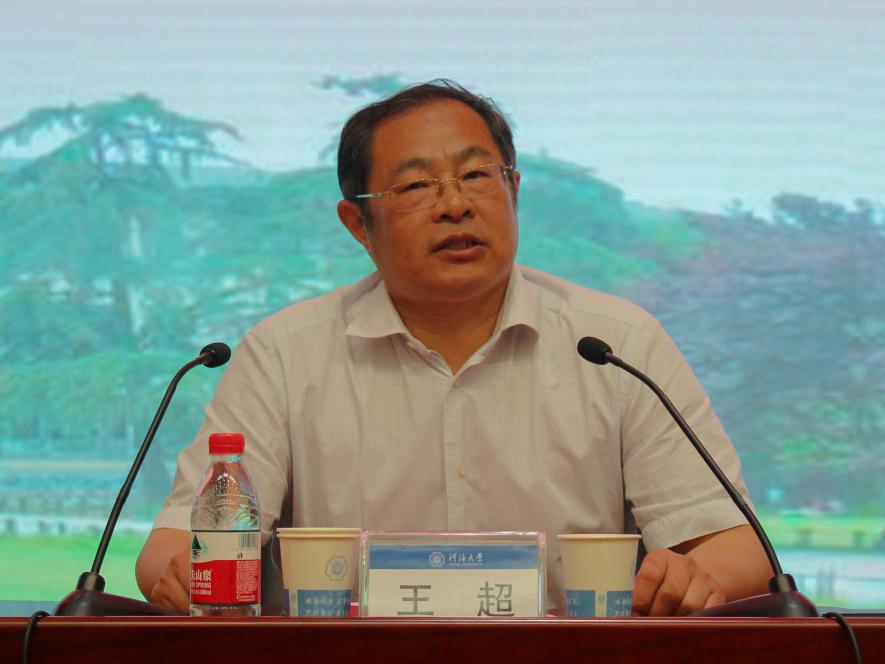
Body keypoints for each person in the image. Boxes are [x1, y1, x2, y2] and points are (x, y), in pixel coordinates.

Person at [136, 80, 770, 615]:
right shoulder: (284, 354)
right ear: (358, 223)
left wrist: (694, 579)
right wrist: (180, 575)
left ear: (513, 189)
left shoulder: (615, 343)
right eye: (415, 187)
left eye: (475, 175)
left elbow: (738, 547)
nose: (455, 205)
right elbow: (170, 548)